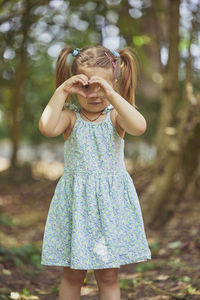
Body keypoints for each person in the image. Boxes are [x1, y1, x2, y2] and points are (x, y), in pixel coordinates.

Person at [39, 45, 152, 300]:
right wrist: (61, 91)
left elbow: (140, 127)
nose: (94, 94)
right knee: (73, 274)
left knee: (109, 275)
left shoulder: (115, 118)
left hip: (110, 206)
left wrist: (113, 96)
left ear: (113, 85)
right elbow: (46, 127)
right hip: (76, 205)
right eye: (87, 86)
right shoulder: (70, 118)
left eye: (102, 87)